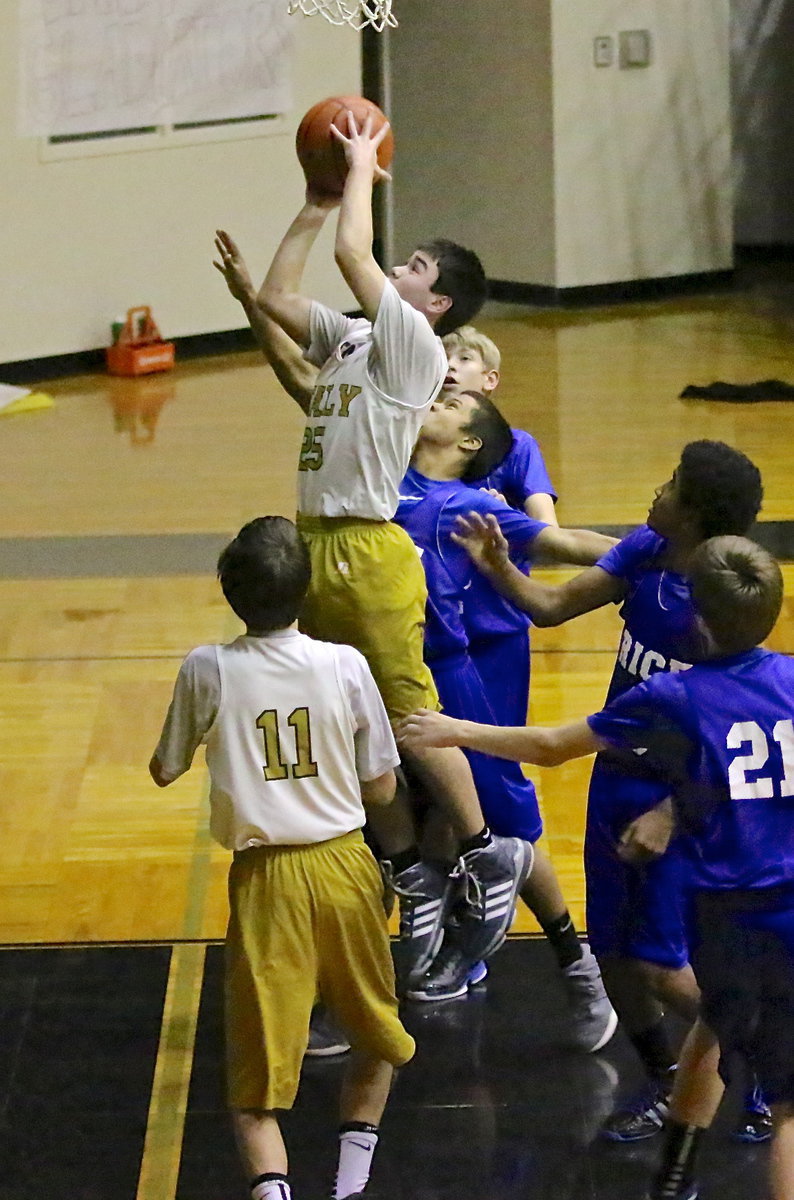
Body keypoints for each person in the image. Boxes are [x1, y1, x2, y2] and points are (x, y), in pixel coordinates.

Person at [214, 112, 530, 990]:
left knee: (407, 719)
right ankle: (412, 871)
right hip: (317, 541)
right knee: (355, 732)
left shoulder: (412, 346)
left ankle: (481, 850)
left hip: (365, 546)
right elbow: (280, 298)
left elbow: (359, 255)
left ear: (435, 307)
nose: (394, 269)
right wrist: (315, 203)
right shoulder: (358, 336)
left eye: (413, 270)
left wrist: (359, 168)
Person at [398, 536, 793, 1200]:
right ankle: (675, 1176)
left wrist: (455, 731)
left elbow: (552, 747)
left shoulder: (677, 695)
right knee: (713, 1031)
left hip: (729, 915)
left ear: (695, 617)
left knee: (782, 1104)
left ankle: (678, 1175)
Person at [149, 516, 416, 1200]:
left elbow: (163, 769)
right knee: (379, 1040)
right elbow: (382, 785)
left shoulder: (207, 667)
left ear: (231, 592)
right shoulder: (347, 665)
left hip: (266, 879)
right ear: (307, 590)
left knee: (255, 1086)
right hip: (346, 866)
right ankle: (350, 1186)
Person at [391, 387, 618, 1052]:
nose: (436, 398)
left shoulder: (472, 504)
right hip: (376, 675)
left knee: (510, 826)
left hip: (447, 676)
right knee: (383, 823)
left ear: (469, 444)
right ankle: (350, 990)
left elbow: (563, 541)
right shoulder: (384, 471)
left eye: (451, 399)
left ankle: (578, 965)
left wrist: (661, 555)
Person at [441, 324, 558, 729]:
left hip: (498, 625)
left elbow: (548, 530)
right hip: (436, 627)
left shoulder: (518, 446)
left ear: (490, 380)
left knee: (499, 740)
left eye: (463, 359)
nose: (449, 366)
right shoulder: (420, 443)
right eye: (443, 357)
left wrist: (509, 518)